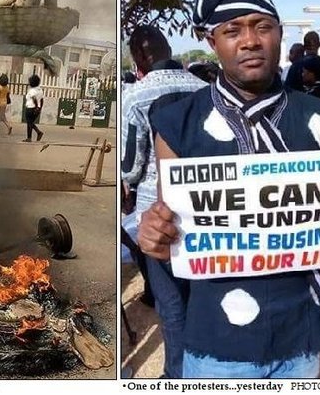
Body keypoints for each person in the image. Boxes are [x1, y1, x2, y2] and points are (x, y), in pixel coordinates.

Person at [138, 0, 320, 378]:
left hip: (299, 336)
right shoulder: (178, 122)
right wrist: (155, 235)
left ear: (279, 33)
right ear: (212, 41)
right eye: (232, 30)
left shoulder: (317, 116)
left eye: (262, 26)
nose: (250, 40)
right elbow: (172, 231)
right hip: (216, 342)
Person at [121, 25, 207, 378]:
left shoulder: (136, 96)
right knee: (199, 298)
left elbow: (130, 165)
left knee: (171, 305)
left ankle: (176, 375)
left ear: (140, 58)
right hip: (203, 210)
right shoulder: (206, 90)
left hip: (155, 215)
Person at [286, 32, 320, 100]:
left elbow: (289, 93)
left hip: (302, 108)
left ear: (304, 47)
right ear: (319, 44)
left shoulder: (296, 66)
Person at [23, 74, 44, 142]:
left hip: (30, 108)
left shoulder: (32, 90)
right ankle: (29, 137)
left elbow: (34, 98)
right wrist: (39, 108)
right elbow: (41, 100)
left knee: (29, 123)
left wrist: (36, 106)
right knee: (30, 123)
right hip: (37, 109)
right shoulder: (40, 90)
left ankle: (38, 132)